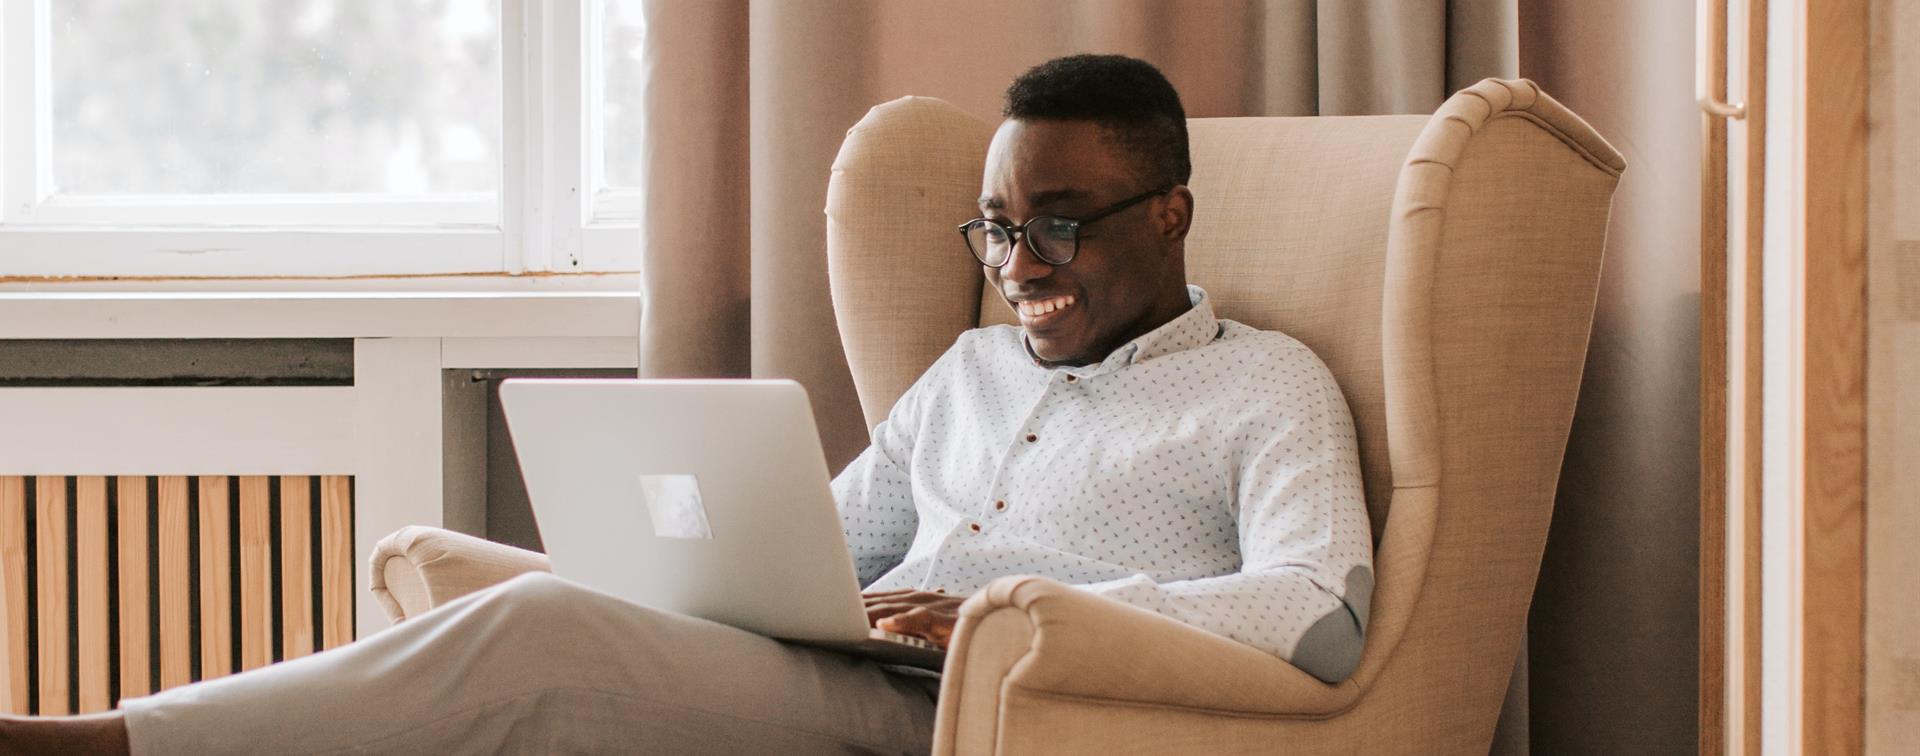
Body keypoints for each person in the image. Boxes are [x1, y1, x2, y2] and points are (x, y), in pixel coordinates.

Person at [0, 53, 1371, 756]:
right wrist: (738, 572)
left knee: (533, 633)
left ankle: (105, 747)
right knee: (523, 629)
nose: (1021, 269)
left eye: (1060, 228)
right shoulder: (969, 373)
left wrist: (1043, 610)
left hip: (983, 716)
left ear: (1172, 213)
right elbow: (817, 544)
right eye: (1000, 230)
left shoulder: (1265, 386)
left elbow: (1320, 612)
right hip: (849, 671)